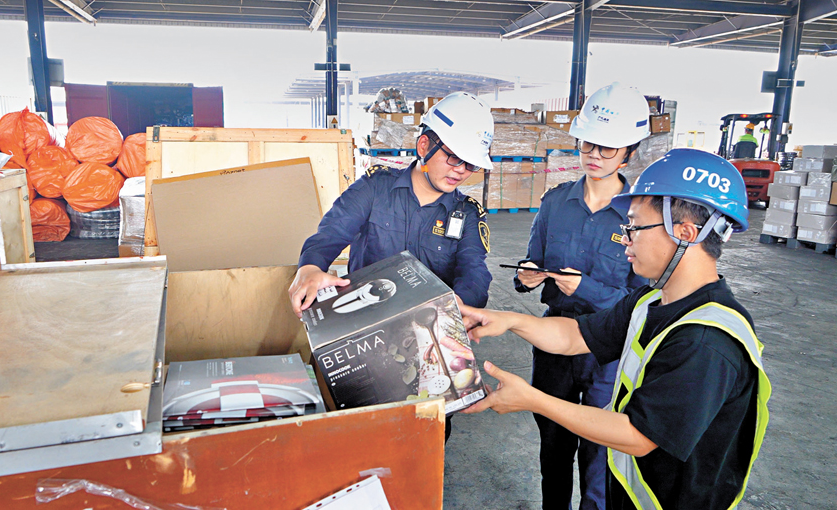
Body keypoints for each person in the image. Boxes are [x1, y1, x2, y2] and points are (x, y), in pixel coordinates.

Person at [461, 148, 771, 510]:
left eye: (636, 227)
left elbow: (637, 435)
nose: (625, 239)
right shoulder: (651, 301)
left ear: (686, 232)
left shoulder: (707, 340)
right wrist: (509, 319)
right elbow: (576, 336)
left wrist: (531, 399)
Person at [513, 82, 649, 510]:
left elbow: (642, 298)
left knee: (598, 452)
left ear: (629, 151)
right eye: (589, 142)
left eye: (607, 148)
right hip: (554, 341)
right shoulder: (555, 203)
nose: (594, 154)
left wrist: (585, 288)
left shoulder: (640, 215)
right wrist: (527, 277)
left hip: (608, 350)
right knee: (552, 445)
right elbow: (531, 262)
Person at [289, 91, 493, 315]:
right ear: (424, 146)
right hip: (365, 317)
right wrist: (310, 268)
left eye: (471, 164)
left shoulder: (467, 213)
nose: (462, 170)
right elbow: (332, 232)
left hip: (427, 323)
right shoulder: (375, 187)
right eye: (454, 157)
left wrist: (460, 302)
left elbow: (474, 270)